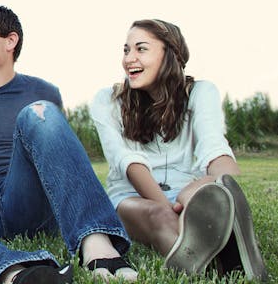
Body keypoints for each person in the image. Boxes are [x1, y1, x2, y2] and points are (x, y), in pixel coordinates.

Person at [0, 5, 138, 284]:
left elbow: (57, 158)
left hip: (26, 201)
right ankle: (14, 273)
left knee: (39, 112)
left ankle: (96, 244)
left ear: (10, 40)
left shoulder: (44, 92)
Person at [89, 19, 268, 281]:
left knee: (207, 190)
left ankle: (225, 235)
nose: (129, 59)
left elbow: (213, 147)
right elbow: (127, 162)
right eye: (126, 50)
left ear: (170, 54)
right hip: (130, 196)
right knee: (159, 215)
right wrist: (173, 210)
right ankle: (220, 262)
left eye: (141, 49)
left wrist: (224, 183)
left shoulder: (200, 92)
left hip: (185, 191)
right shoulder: (108, 100)